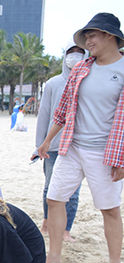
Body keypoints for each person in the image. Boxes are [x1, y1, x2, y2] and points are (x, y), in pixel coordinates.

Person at [37, 12, 124, 263]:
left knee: (109, 209)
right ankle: (54, 255)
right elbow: (63, 111)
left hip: (106, 153)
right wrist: (47, 140)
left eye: (92, 35)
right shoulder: (82, 68)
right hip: (71, 148)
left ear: (110, 36)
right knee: (54, 199)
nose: (88, 41)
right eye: (86, 36)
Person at [33, 40, 88, 242]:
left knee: (72, 192)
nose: (75, 56)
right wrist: (39, 144)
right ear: (65, 56)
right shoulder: (53, 84)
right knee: (50, 187)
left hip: (77, 145)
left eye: (80, 52)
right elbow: (44, 116)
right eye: (71, 52)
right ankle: (47, 222)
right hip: (53, 145)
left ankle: (66, 230)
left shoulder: (89, 81)